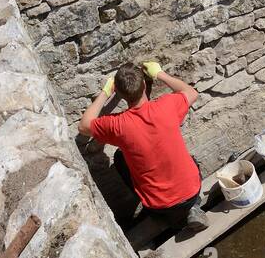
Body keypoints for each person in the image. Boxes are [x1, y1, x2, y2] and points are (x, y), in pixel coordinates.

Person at [78, 61, 208, 233]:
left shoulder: (118, 126)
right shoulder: (167, 105)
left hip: (159, 207)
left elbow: (83, 126)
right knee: (189, 160)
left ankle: (172, 217)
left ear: (120, 93)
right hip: (192, 192)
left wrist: (105, 92)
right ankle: (192, 208)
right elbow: (191, 92)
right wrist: (159, 73)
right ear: (145, 84)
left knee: (120, 157)